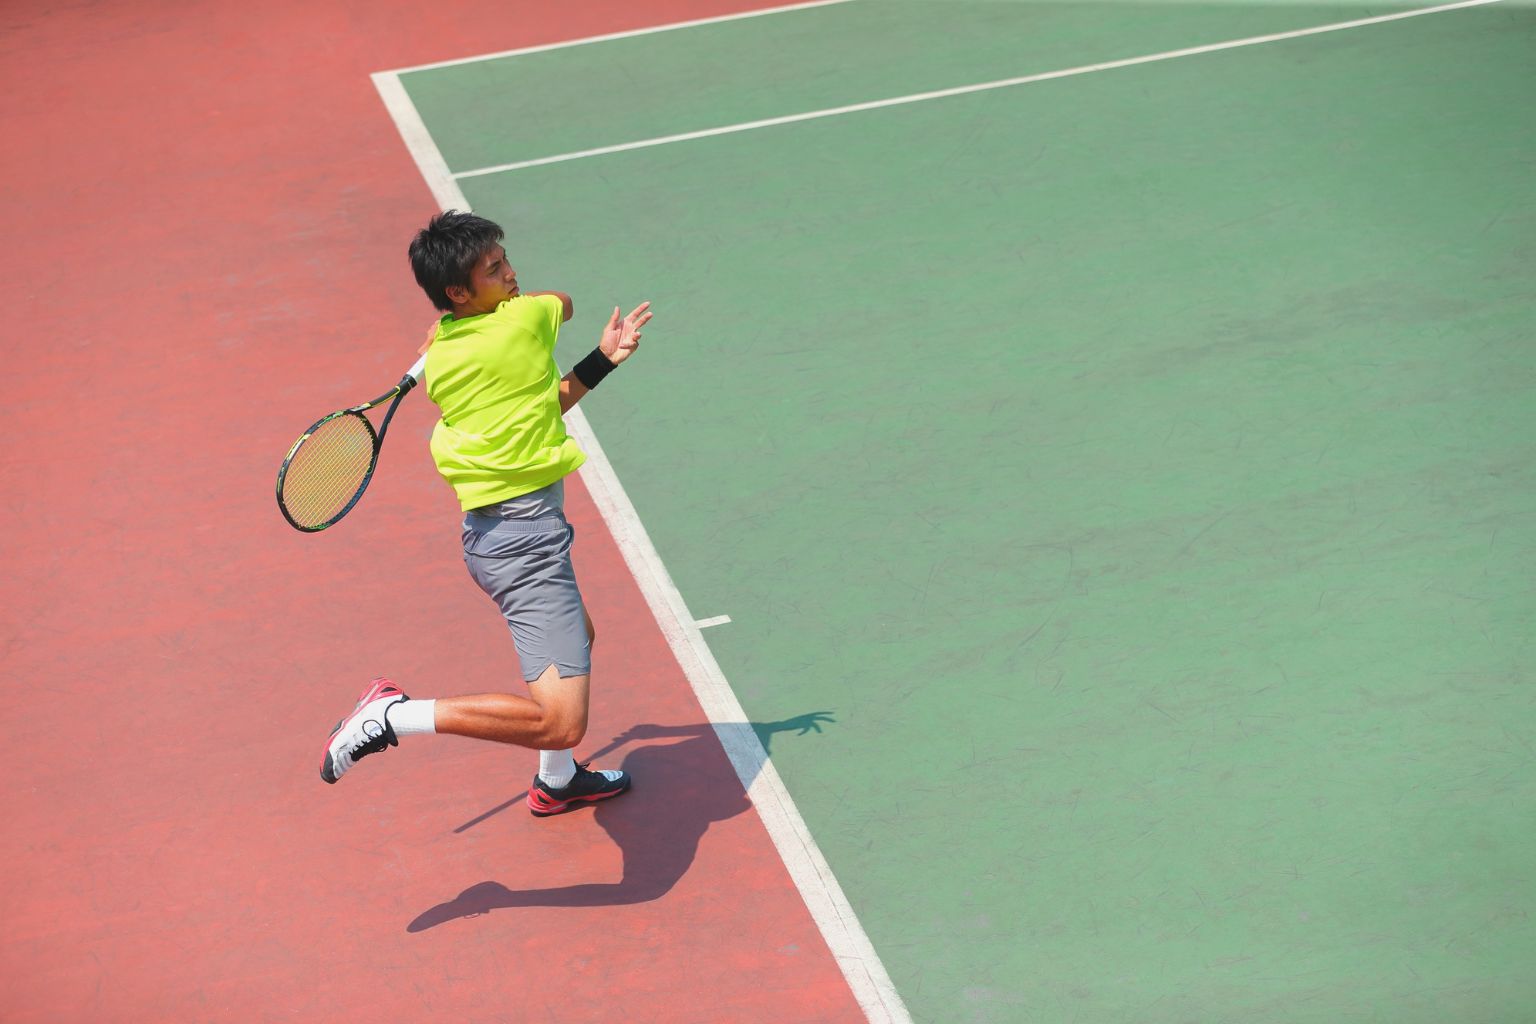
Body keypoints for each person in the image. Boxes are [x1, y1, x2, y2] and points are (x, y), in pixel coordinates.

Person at [318, 209, 652, 818]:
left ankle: (556, 782)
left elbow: (541, 409)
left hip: (498, 537)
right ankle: (393, 714)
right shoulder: (523, 320)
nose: (512, 275)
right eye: (495, 270)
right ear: (458, 292)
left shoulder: (446, 355)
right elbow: (565, 302)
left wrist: (601, 360)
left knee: (579, 635)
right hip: (523, 543)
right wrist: (520, 306)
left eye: (506, 261)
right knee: (561, 721)